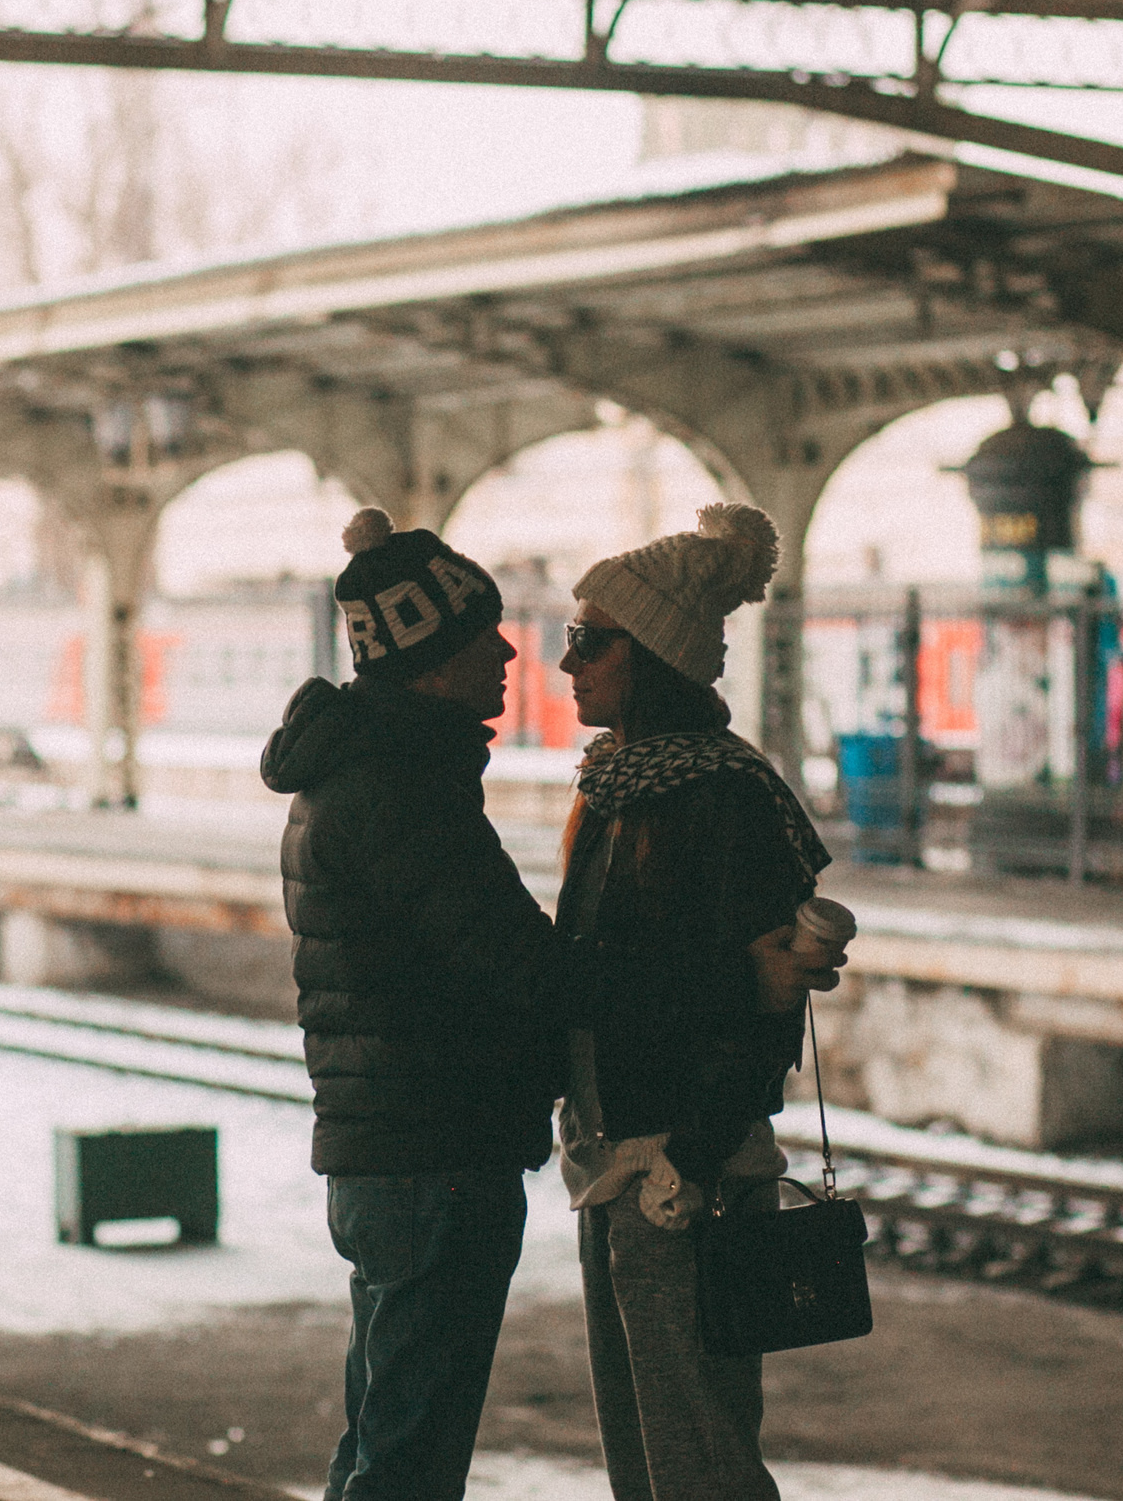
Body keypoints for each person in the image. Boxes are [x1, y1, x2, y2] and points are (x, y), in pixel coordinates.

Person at [259, 506, 564, 1501]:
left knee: (384, 1437)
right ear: (428, 657)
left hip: (392, 1152)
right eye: (483, 635)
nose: (508, 652)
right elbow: (515, 963)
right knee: (407, 1462)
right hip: (435, 1151)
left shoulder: (361, 770)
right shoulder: (401, 788)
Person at [554, 504, 845, 1501]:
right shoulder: (614, 788)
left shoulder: (726, 796)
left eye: (591, 641)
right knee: (645, 1459)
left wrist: (692, 1153)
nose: (568, 663)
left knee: (702, 1461)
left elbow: (769, 1001)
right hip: (613, 1161)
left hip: (683, 1173)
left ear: (657, 656)